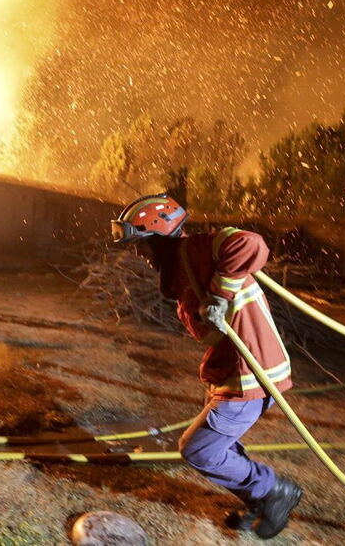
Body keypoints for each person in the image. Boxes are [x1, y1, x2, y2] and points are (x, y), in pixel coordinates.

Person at [111, 193, 303, 539]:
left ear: (160, 237)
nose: (141, 255)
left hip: (251, 371)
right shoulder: (182, 266)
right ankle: (259, 499)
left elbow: (251, 243)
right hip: (229, 371)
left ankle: (274, 491)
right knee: (218, 447)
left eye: (142, 245)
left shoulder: (199, 249)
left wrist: (219, 295)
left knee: (199, 449)